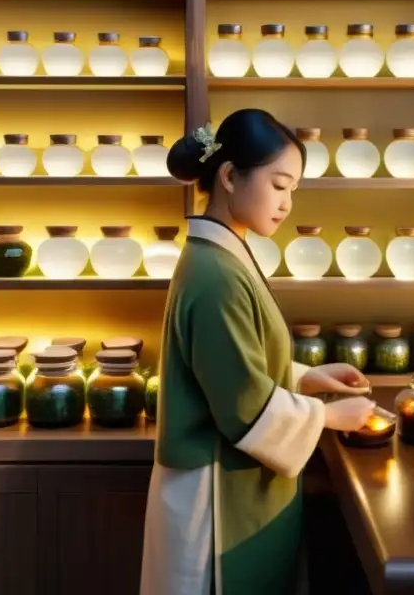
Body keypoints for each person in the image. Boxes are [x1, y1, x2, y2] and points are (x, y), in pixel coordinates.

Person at [140, 109, 376, 595]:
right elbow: (241, 407)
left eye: (293, 190)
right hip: (214, 495)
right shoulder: (216, 275)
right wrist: (330, 418)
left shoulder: (224, 254)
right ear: (229, 176)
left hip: (227, 478)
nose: (288, 203)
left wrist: (307, 378)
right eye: (280, 184)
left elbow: (233, 364)